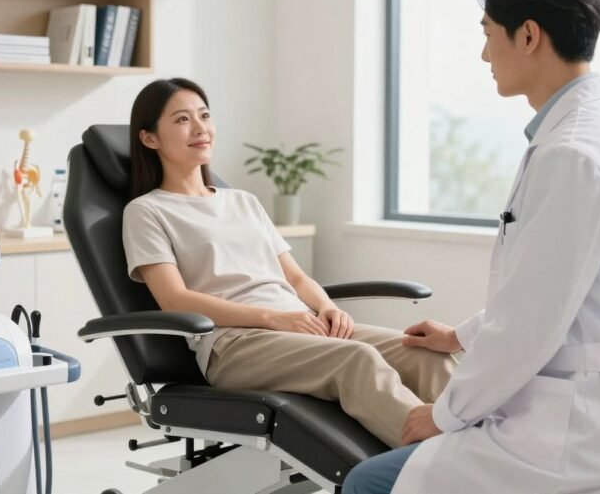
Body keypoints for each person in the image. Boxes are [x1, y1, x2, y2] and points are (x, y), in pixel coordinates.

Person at [343, 0, 600, 494]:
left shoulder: (573, 152)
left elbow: (531, 323)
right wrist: (460, 335)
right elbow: (557, 291)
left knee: (368, 483)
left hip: (583, 429)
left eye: (488, 33)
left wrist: (444, 414)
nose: (484, 54)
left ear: (527, 36)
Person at [122, 77, 457, 448]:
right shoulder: (146, 211)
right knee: (356, 360)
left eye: (204, 115)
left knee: (425, 353)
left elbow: (295, 278)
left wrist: (327, 307)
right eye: (182, 120)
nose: (200, 128)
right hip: (236, 344)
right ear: (149, 138)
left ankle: (486, 456)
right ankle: (439, 468)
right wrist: (273, 318)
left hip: (300, 326)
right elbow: (174, 300)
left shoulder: (242, 201)